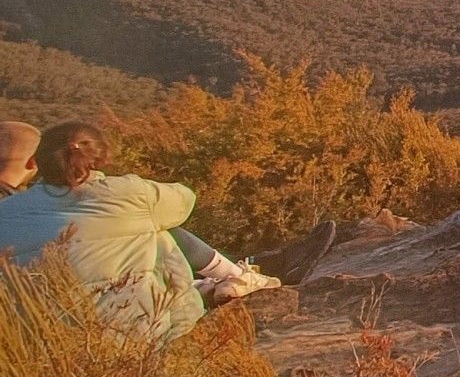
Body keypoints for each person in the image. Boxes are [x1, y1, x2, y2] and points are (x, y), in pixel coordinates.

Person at [0, 121, 328, 342]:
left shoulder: (6, 212)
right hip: (142, 336)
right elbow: (185, 200)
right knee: (159, 234)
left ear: (39, 163)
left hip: (40, 343)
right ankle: (239, 278)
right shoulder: (131, 193)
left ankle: (221, 284)